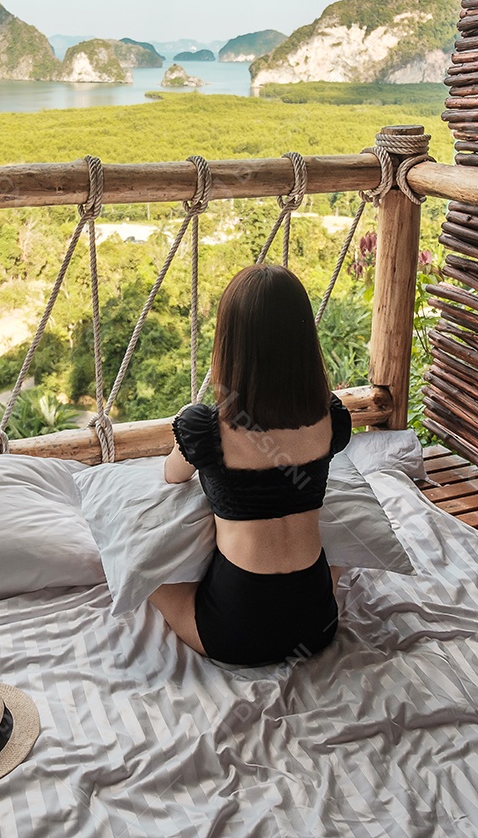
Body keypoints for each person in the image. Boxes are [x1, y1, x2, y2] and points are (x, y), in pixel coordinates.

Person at [148, 263, 352, 666]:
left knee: (146, 580)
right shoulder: (333, 420)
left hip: (236, 630)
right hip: (318, 624)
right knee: (341, 561)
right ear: (303, 340)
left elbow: (172, 476)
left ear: (231, 342)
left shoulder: (205, 430)